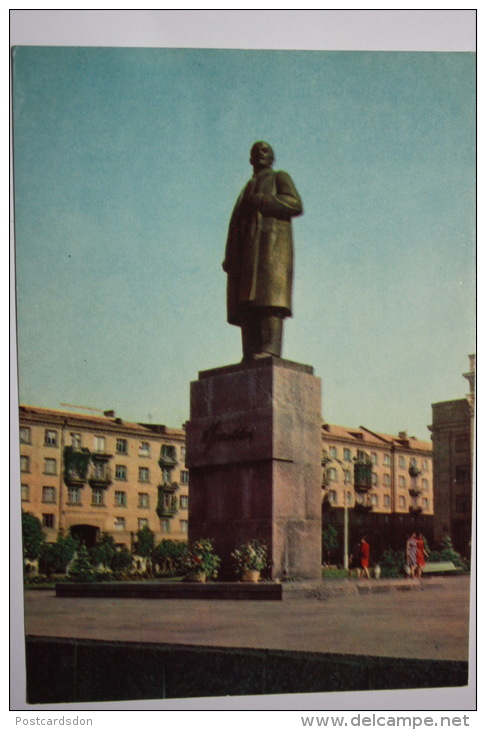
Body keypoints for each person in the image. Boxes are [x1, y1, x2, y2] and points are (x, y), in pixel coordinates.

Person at [222, 141, 303, 359]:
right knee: (248, 303)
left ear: (272, 157)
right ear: (249, 159)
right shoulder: (246, 188)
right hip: (246, 254)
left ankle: (270, 349)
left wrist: (264, 201)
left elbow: (295, 204)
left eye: (265, 150)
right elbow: (235, 223)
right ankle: (249, 352)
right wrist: (230, 255)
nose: (260, 153)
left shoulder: (279, 177)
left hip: (270, 250)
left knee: (269, 301)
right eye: (255, 151)